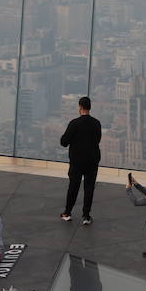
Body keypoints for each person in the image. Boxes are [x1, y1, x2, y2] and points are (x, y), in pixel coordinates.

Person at [60, 95, 102, 224]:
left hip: (77, 161)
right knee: (89, 188)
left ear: (80, 107)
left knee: (73, 187)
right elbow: (98, 139)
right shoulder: (96, 123)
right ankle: (86, 216)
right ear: (89, 107)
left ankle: (67, 212)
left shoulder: (74, 123)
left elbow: (64, 142)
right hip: (92, 160)